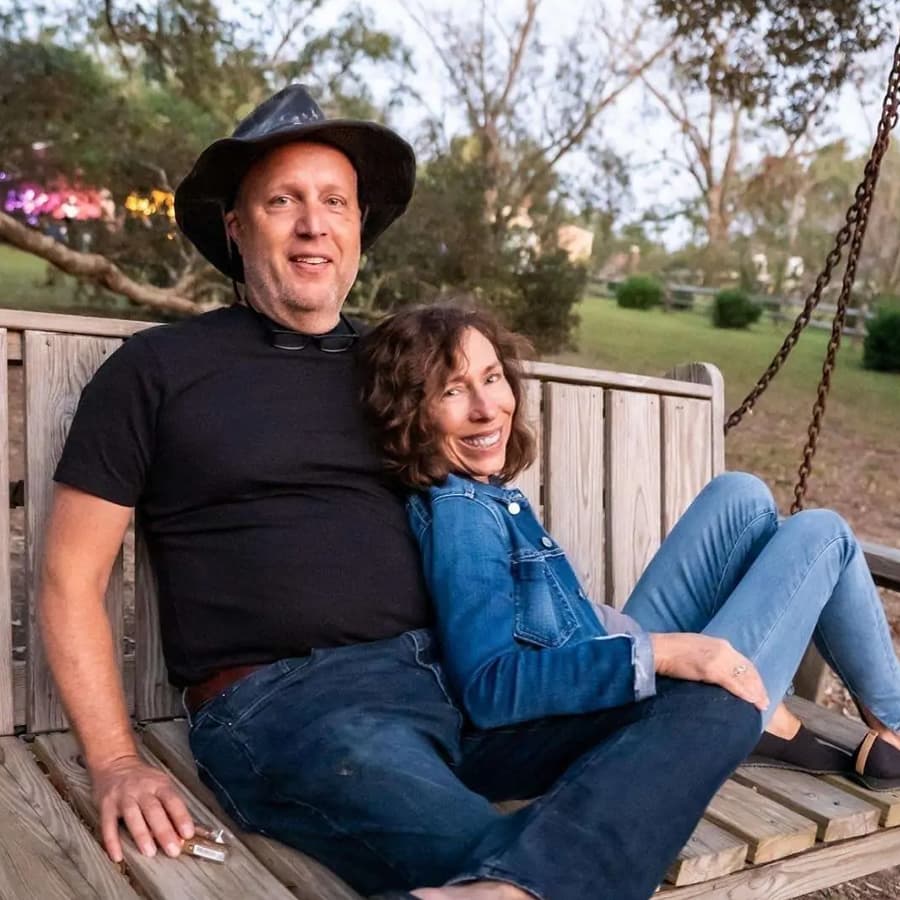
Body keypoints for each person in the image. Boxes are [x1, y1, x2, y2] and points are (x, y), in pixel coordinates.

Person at [40, 84, 762, 900]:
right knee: (488, 856)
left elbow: (485, 470)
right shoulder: (158, 371)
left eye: (335, 202)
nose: (314, 223)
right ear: (237, 228)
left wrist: (631, 648)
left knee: (714, 697)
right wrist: (116, 762)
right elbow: (71, 578)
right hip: (299, 708)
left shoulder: (402, 370)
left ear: (357, 230)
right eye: (284, 201)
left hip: (463, 681)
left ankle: (521, 880)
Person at [359, 303, 900, 793]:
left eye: (492, 377)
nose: (486, 408)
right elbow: (491, 688)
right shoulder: (464, 518)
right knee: (822, 534)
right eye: (452, 391)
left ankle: (785, 715)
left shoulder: (479, 494)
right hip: (637, 728)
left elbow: (548, 625)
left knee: (740, 494)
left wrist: (640, 639)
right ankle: (893, 726)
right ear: (410, 415)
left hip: (606, 669)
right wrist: (663, 652)